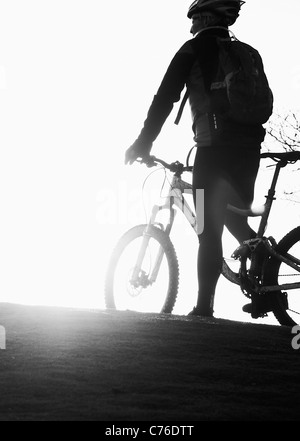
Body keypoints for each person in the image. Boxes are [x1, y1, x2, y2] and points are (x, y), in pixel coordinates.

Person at [125, 0, 267, 317]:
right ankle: (265, 273)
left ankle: (204, 309)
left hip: (213, 148)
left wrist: (141, 144)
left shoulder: (193, 50)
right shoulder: (248, 53)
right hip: (250, 148)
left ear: (204, 18)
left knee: (208, 231)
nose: (191, 27)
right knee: (233, 216)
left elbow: (164, 99)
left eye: (193, 20)